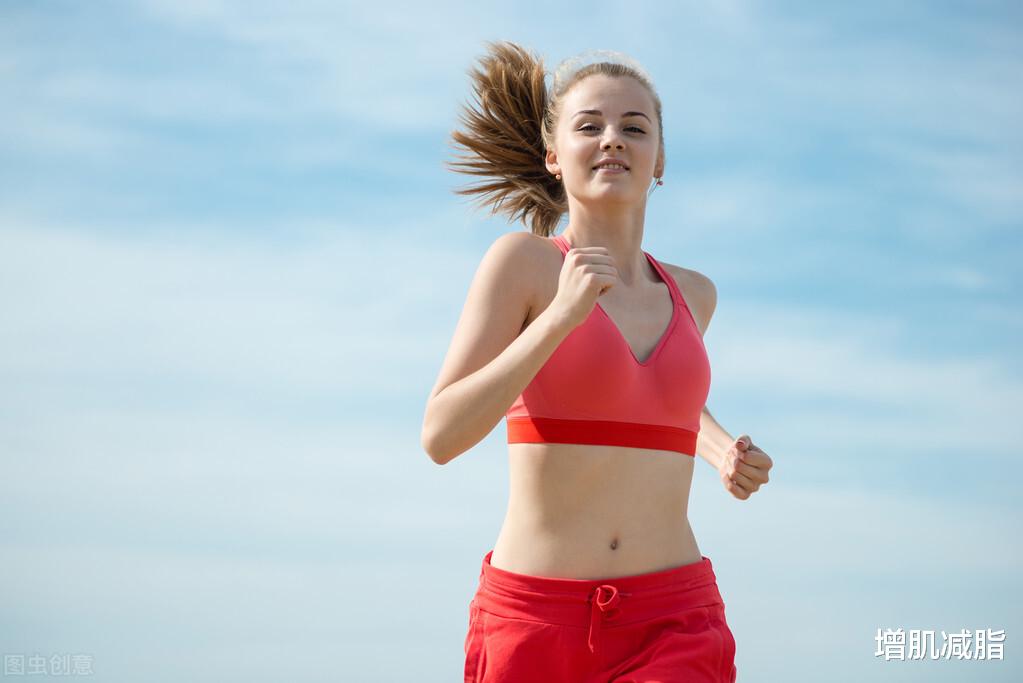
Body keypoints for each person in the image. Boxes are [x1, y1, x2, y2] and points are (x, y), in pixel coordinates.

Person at [422, 40, 773, 683]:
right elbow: (440, 435)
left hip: (675, 620)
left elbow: (661, 400)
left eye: (634, 128)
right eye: (589, 126)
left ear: (659, 158)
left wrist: (722, 449)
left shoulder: (695, 294)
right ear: (554, 156)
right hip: (537, 619)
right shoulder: (523, 265)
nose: (613, 139)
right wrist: (559, 317)